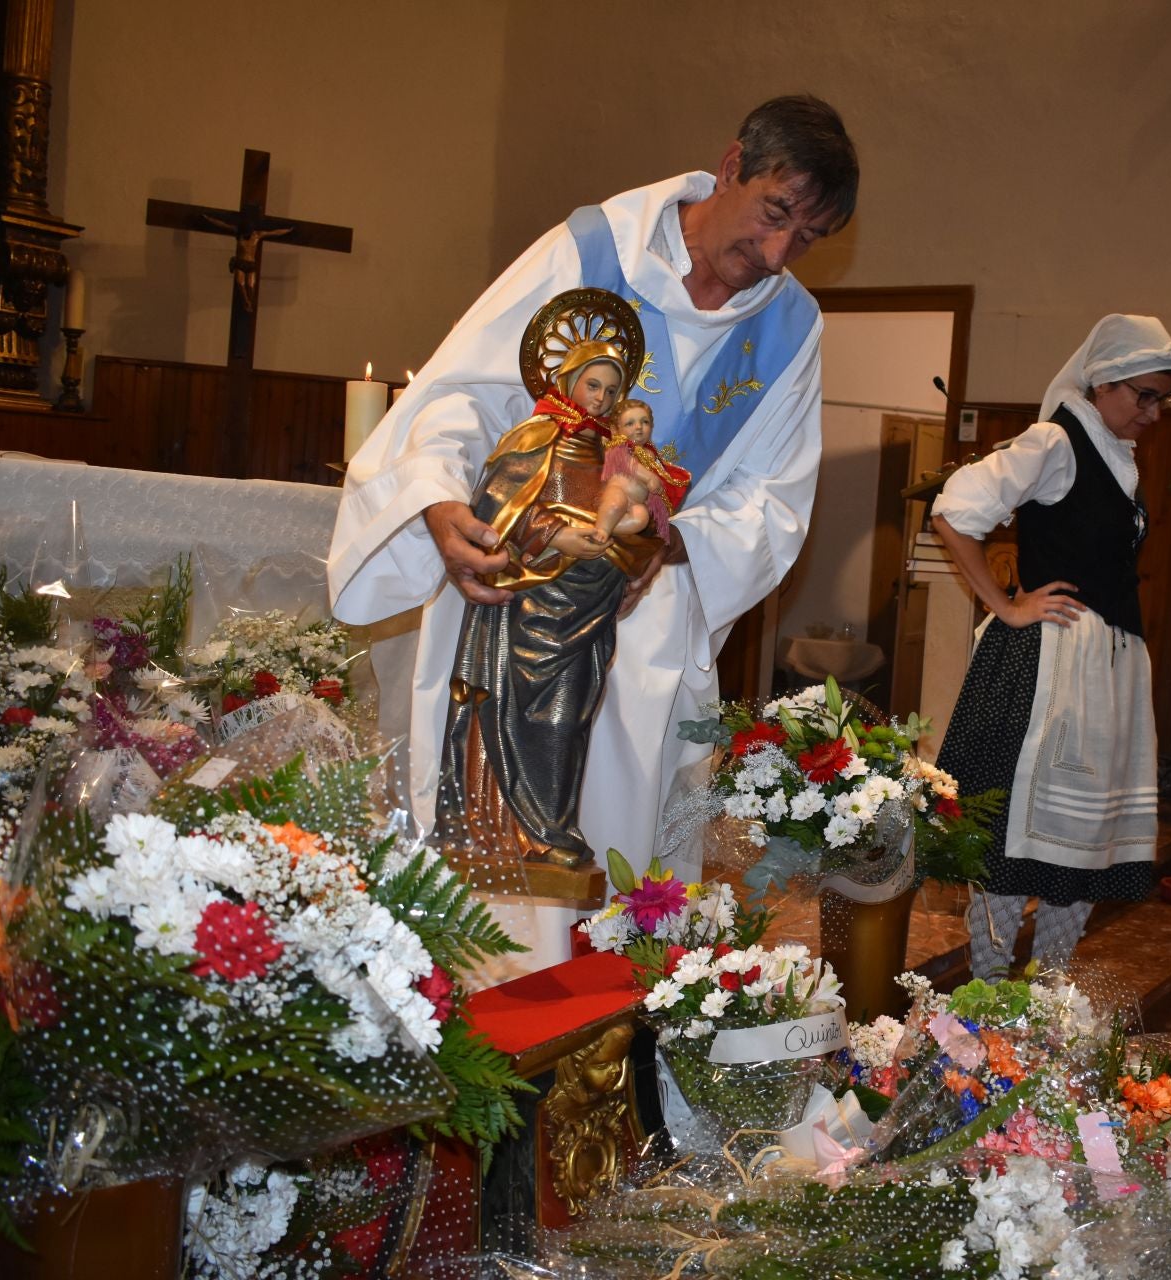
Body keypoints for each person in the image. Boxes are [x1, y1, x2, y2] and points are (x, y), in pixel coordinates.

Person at [329, 96, 858, 890]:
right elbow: (465, 394)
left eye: (808, 238)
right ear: (730, 167)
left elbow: (772, 499)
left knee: (617, 863)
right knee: (486, 859)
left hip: (649, 619)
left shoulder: (791, 328)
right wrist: (437, 499)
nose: (779, 251)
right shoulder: (594, 250)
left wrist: (663, 541)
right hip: (512, 593)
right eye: (775, 212)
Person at [929, 314, 1171, 979]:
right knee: (1016, 845)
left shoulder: (1114, 454)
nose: (1153, 413)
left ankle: (1044, 999)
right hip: (1051, 666)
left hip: (1102, 671)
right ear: (1103, 382)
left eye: (1163, 399)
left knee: (1083, 843)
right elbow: (954, 511)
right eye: (1144, 396)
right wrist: (1006, 604)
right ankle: (986, 995)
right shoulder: (1056, 441)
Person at [438, 314, 657, 868]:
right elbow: (494, 510)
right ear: (569, 381)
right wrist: (556, 534)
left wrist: (632, 540)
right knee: (534, 716)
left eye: (611, 390)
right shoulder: (535, 438)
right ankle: (528, 832)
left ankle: (553, 826)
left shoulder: (616, 453)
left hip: (590, 606)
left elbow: (647, 522)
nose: (601, 398)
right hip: (533, 606)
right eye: (592, 384)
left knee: (571, 719)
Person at [596, 398, 691, 540]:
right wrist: (649, 478)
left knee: (641, 518)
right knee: (616, 504)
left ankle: (608, 528)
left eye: (645, 422)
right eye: (630, 423)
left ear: (652, 427)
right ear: (615, 430)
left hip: (636, 502)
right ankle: (602, 529)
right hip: (619, 492)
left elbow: (659, 478)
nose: (639, 427)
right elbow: (628, 464)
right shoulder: (619, 448)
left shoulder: (651, 454)